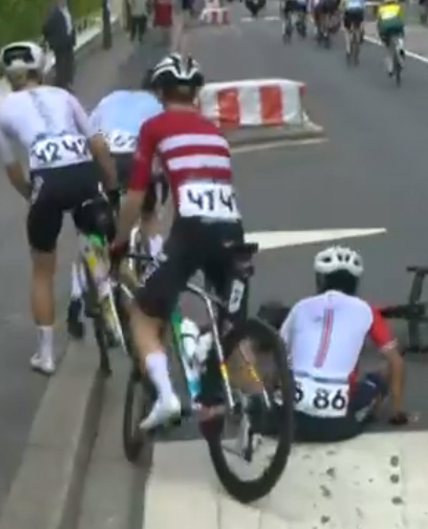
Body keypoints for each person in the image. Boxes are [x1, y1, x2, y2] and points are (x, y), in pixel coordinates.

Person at [111, 54, 246, 430]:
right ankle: (215, 384)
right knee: (229, 318)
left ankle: (168, 397)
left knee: (143, 311)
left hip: (193, 231)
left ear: (160, 91)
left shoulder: (154, 126)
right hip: (232, 231)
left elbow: (136, 196)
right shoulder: (215, 132)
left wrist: (120, 242)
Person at [0, 41, 120, 373]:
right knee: (95, 238)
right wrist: (110, 186)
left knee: (42, 270)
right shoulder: (64, 96)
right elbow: (97, 143)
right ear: (41, 69)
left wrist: (31, 194)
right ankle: (109, 305)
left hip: (46, 182)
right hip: (82, 175)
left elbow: (12, 169)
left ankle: (46, 355)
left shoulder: (3, 107)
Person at [269, 246, 411, 441]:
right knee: (383, 372)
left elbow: (278, 355)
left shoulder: (300, 307)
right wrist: (397, 413)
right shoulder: (366, 310)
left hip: (287, 421)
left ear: (320, 280)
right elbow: (397, 363)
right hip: (336, 425)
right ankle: (377, 408)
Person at [66, 73, 166, 340]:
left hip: (105, 157)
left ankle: (78, 293)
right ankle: (156, 264)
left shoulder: (108, 100)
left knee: (90, 232)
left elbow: (87, 134)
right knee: (149, 214)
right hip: (135, 157)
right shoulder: (156, 105)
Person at [41, 0, 76, 89]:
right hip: (60, 43)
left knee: (69, 63)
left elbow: (70, 24)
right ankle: (61, 85)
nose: (63, 0)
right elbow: (45, 27)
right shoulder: (54, 12)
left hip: (68, 42)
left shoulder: (66, 10)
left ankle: (67, 83)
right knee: (61, 64)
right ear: (57, 0)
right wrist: (52, 39)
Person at [376, 0, 407, 75]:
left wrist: (379, 31)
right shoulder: (398, 7)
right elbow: (401, 19)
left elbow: (379, 21)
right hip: (396, 26)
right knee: (401, 34)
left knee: (388, 49)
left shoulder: (381, 9)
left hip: (386, 27)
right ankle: (400, 46)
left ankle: (390, 68)